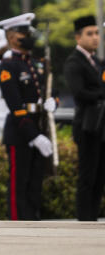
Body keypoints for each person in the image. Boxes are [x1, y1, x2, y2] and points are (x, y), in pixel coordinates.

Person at [0, 12, 56, 221]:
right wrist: (33, 136)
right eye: (23, 33)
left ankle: (33, 222)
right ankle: (16, 224)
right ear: (11, 36)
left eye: (28, 32)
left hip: (39, 125)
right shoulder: (8, 65)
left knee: (35, 182)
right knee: (18, 184)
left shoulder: (37, 63)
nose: (28, 36)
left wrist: (53, 103)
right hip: (20, 131)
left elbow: (50, 91)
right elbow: (16, 107)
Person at [64, 15, 105, 221]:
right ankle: (84, 220)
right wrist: (101, 94)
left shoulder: (96, 61)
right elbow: (79, 93)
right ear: (78, 37)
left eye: (97, 33)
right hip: (87, 125)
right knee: (87, 176)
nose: (95, 38)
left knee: (99, 176)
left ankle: (93, 217)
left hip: (100, 125)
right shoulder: (74, 62)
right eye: (90, 34)